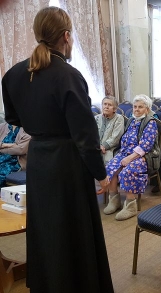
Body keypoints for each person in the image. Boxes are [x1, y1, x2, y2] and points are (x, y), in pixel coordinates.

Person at [1, 7, 114, 293]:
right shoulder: (68, 75)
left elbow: (14, 119)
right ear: (66, 36)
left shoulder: (13, 74)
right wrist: (101, 175)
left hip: (38, 160)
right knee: (73, 229)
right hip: (67, 162)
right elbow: (85, 135)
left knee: (47, 228)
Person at [103, 95, 157, 220]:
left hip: (142, 156)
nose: (136, 109)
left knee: (128, 171)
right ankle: (114, 200)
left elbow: (145, 146)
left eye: (140, 107)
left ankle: (130, 205)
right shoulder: (132, 120)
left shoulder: (150, 122)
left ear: (147, 109)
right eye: (135, 107)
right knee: (110, 167)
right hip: (124, 153)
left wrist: (129, 158)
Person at [95, 96, 124, 164]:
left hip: (110, 149)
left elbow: (116, 137)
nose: (106, 107)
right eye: (105, 104)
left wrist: (103, 146)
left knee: (106, 163)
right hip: (95, 147)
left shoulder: (119, 119)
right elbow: (90, 134)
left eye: (109, 105)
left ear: (115, 109)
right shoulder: (96, 118)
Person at [0, 123, 31, 187]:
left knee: (2, 175)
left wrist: (1, 147)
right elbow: (17, 148)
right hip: (1, 158)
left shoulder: (28, 130)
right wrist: (10, 145)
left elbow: (20, 149)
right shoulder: (2, 126)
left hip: (14, 162)